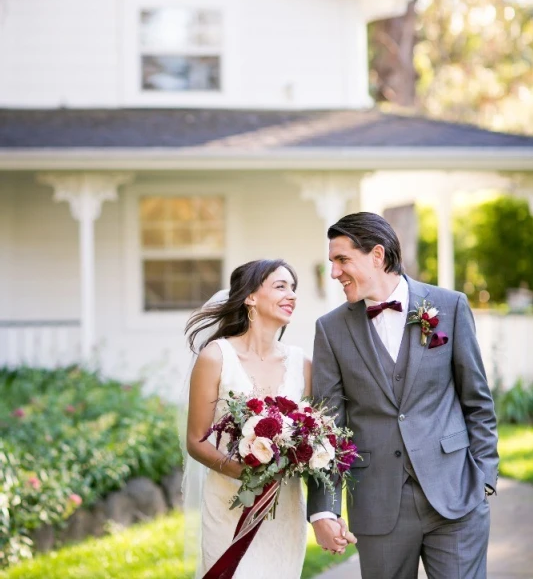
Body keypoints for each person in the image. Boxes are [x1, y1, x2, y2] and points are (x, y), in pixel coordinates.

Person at [308, 212, 499, 579]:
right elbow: (327, 430)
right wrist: (324, 509)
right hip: (377, 505)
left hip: (456, 496)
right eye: (332, 262)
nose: (334, 273)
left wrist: (484, 477)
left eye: (342, 260)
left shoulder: (450, 306)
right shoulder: (330, 329)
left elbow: (477, 401)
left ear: (377, 256)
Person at [185, 258, 313, 579]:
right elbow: (196, 440)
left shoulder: (302, 363)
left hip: (284, 507)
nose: (292, 295)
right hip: (230, 505)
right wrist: (247, 475)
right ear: (250, 297)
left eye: (293, 288)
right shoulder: (216, 357)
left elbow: (314, 433)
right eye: (281, 286)